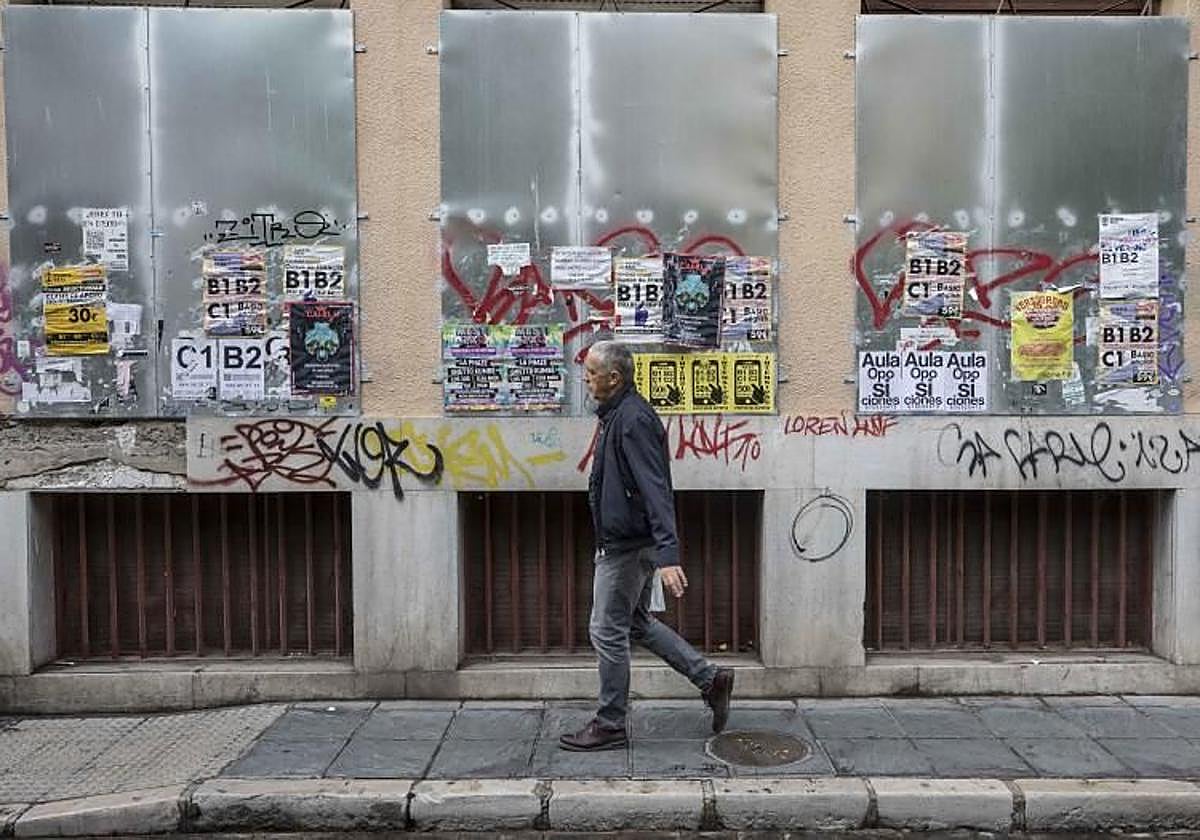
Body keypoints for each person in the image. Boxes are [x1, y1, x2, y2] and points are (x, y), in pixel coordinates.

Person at [560, 340, 734, 752]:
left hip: (627, 546)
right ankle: (709, 678)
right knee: (635, 624)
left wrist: (667, 554)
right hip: (624, 540)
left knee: (605, 629)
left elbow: (655, 488)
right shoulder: (619, 414)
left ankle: (611, 722)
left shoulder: (632, 419)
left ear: (614, 378)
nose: (586, 383)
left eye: (590, 376)